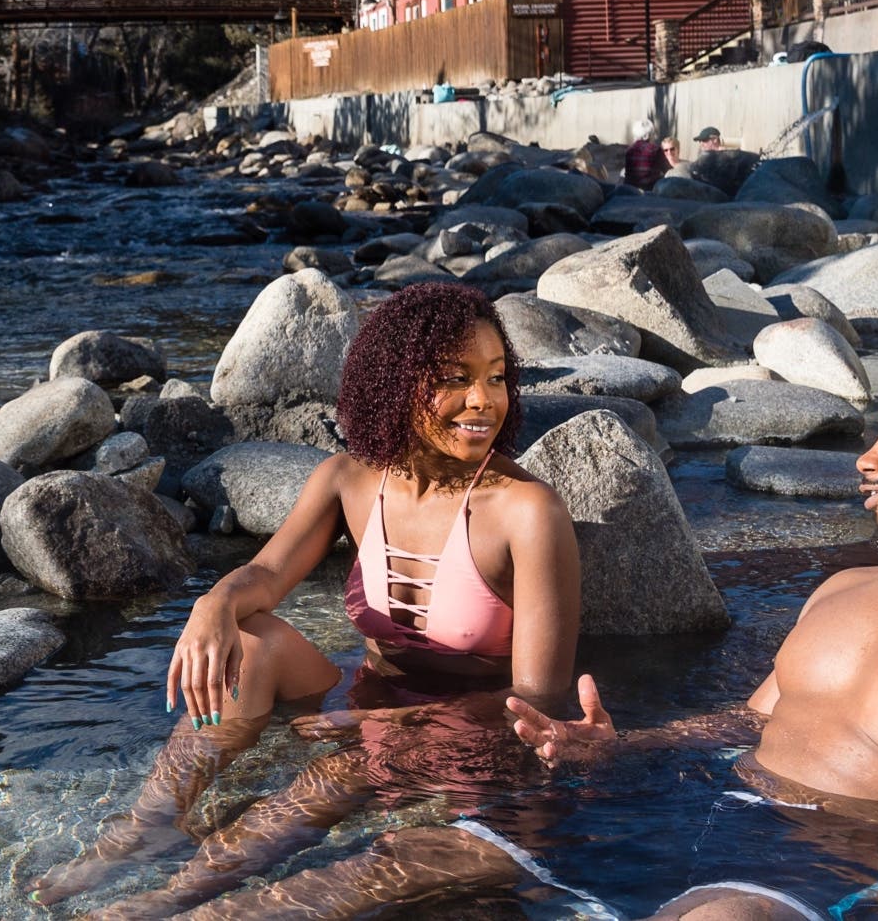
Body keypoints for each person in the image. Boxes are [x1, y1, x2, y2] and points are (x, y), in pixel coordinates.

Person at [160, 366, 878, 920]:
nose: (868, 457)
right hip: (694, 811)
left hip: (833, 873)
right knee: (410, 860)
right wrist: (620, 748)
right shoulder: (854, 588)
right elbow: (756, 716)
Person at [30, 282, 581, 909]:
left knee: (329, 783)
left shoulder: (527, 511)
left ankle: (169, 902)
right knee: (244, 633)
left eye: (497, 378)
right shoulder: (348, 478)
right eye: (454, 379)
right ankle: (148, 825)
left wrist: (385, 726)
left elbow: (540, 701)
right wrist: (212, 605)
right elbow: (264, 576)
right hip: (363, 710)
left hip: (468, 737)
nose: (483, 401)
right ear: (398, 382)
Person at [623, 117, 669, 191]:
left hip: (631, 188)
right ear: (647, 136)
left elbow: (628, 174)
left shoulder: (629, 150)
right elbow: (666, 170)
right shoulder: (655, 150)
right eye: (653, 134)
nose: (655, 136)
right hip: (650, 189)